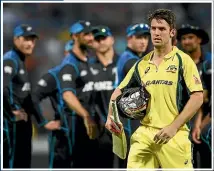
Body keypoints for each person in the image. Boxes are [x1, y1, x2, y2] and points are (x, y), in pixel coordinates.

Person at [105, 9, 203, 169]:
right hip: (144, 135)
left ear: (172, 32)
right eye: (153, 28)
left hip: (174, 136)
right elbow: (119, 91)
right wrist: (110, 116)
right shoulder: (141, 64)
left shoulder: (183, 61)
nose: (156, 33)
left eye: (162, 29)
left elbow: (197, 97)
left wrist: (173, 127)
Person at [3, 24, 59, 168]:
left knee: (23, 163)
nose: (30, 43)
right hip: (11, 126)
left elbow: (27, 97)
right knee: (13, 162)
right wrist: (9, 113)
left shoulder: (21, 62)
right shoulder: (10, 60)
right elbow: (2, 88)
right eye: (26, 39)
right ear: (16, 40)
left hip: (22, 124)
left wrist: (42, 122)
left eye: (32, 40)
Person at [57, 20, 98, 168]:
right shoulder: (70, 64)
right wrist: (85, 115)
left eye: (91, 34)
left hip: (90, 124)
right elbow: (67, 94)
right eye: (86, 34)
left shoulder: (88, 61)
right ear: (75, 37)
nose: (91, 38)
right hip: (75, 124)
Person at [31, 41, 74, 168]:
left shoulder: (90, 72)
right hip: (63, 135)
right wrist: (43, 122)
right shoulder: (55, 74)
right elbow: (33, 98)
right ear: (65, 53)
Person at [115, 22, 150, 167]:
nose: (143, 41)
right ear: (129, 39)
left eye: (146, 37)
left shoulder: (126, 57)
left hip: (127, 119)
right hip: (131, 122)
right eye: (139, 37)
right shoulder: (132, 61)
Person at [177, 24, 212, 168]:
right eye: (183, 38)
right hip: (185, 115)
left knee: (204, 137)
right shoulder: (179, 64)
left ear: (199, 40)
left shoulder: (209, 63)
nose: (186, 41)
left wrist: (201, 124)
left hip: (206, 115)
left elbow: (204, 98)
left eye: (190, 37)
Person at [89, 25, 121, 168]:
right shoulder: (87, 67)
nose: (101, 42)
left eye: (104, 38)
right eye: (97, 39)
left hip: (124, 128)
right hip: (99, 131)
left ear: (112, 39)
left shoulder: (124, 63)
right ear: (92, 43)